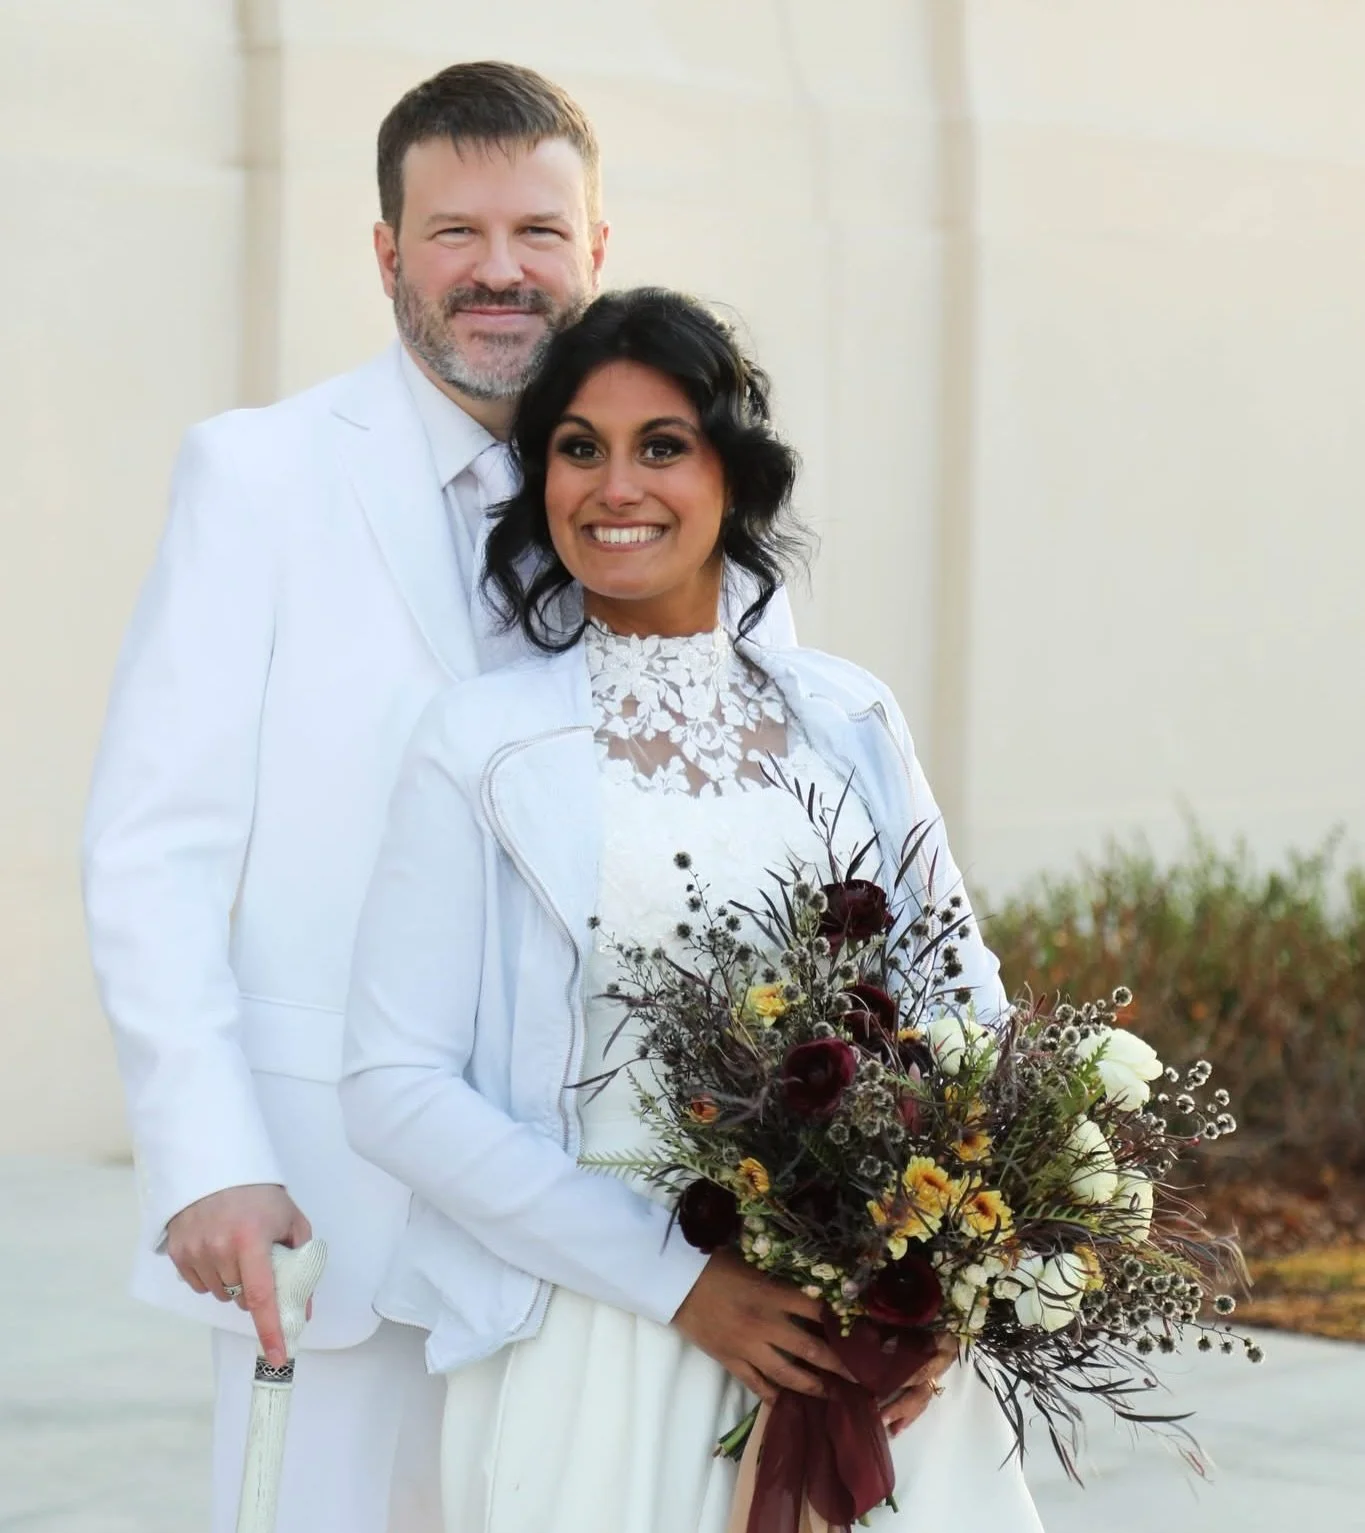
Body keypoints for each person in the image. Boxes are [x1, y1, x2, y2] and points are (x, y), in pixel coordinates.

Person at [81, 65, 798, 1533]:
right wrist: (210, 1159)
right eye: (452, 230)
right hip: (334, 1219)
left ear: (595, 248)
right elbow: (154, 853)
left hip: (632, 1226)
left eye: (537, 230)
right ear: (386, 251)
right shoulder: (259, 475)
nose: (497, 269)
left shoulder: (674, 498)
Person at [340, 288, 1043, 1532]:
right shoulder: (481, 744)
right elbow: (393, 1083)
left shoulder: (851, 719)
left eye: (663, 444)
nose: (618, 487)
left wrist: (952, 1289)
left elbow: (966, 1013)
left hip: (869, 1341)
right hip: (601, 1336)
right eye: (578, 448)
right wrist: (681, 1283)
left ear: (736, 472)